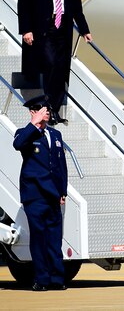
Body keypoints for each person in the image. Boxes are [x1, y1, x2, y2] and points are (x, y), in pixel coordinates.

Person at [17, 0, 92, 125]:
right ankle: (46, 106)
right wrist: (26, 30)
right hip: (44, 28)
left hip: (63, 28)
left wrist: (84, 29)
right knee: (49, 64)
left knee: (60, 68)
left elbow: (76, 5)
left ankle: (55, 110)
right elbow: (24, 4)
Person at [13, 95, 68, 291]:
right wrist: (34, 124)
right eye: (41, 110)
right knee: (39, 238)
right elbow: (18, 144)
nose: (46, 113)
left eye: (47, 109)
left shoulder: (55, 135)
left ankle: (57, 279)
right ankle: (42, 280)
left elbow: (61, 165)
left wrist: (63, 191)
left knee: (54, 238)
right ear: (33, 112)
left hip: (53, 194)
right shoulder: (25, 133)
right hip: (35, 195)